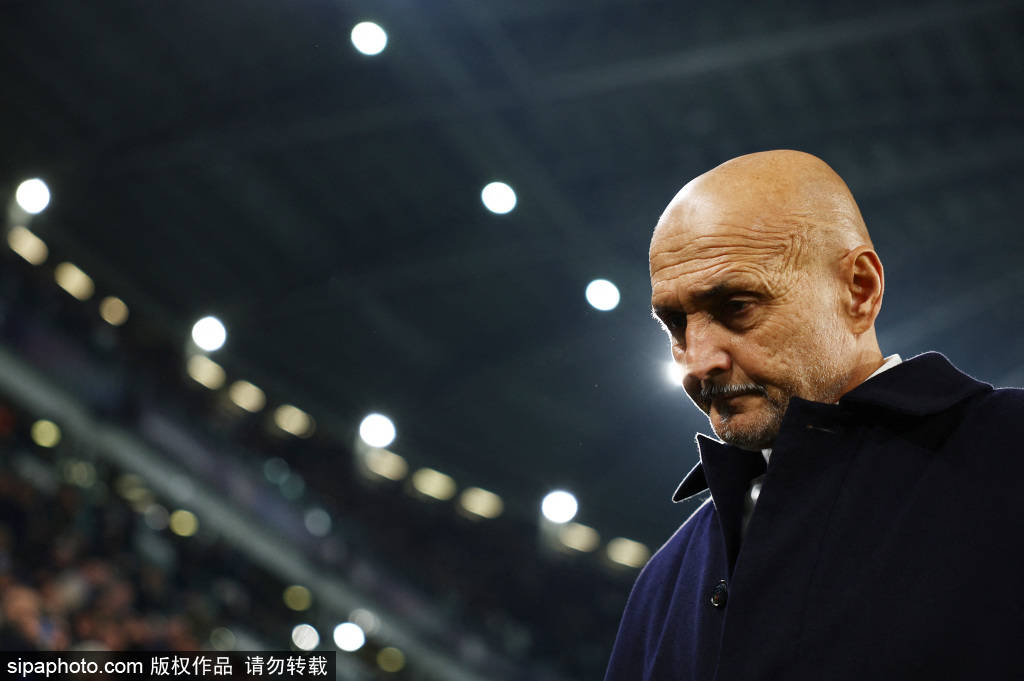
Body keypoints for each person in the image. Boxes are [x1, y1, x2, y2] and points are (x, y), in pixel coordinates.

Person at [604, 150, 1024, 681]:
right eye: (675, 324)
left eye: (737, 306)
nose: (697, 360)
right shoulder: (665, 579)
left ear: (859, 291)